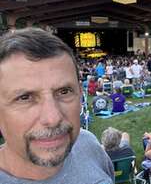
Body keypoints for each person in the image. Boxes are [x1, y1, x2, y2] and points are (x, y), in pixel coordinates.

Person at [0, 28, 114, 183]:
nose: (53, 118)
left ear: (80, 94)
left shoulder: (88, 143)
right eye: (25, 97)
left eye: (64, 91)